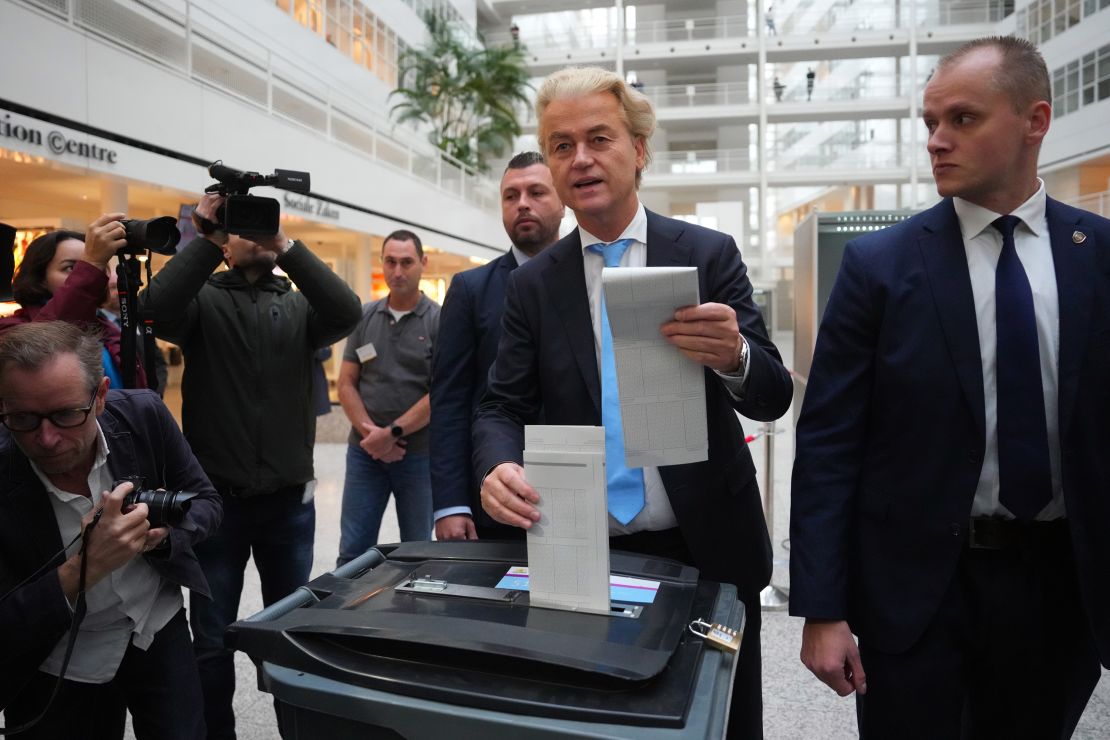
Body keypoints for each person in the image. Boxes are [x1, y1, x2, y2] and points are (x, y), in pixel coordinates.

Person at [790, 36, 1110, 739]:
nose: (937, 140)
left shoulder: (1100, 256)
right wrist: (823, 607)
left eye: (962, 119)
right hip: (915, 596)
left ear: (1035, 120)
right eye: (929, 122)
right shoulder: (881, 266)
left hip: (1059, 590)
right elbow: (828, 444)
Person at [473, 66, 793, 738]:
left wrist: (734, 356)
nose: (581, 158)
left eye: (599, 138)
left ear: (640, 149)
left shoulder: (707, 254)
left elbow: (770, 394)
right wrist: (495, 464)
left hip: (707, 544)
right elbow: (500, 404)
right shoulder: (534, 285)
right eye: (562, 146)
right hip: (586, 551)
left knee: (722, 722)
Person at [139, 194, 361, 740]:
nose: (254, 234)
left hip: (288, 503)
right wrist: (208, 239)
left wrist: (286, 248)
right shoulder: (202, 303)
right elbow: (154, 308)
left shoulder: (302, 307)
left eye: (264, 225)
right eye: (242, 227)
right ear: (225, 241)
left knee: (290, 634)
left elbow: (348, 310)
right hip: (216, 506)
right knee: (210, 639)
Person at [0, 321, 221, 739]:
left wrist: (163, 538)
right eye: (23, 418)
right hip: (57, 656)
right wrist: (83, 568)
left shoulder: (142, 415)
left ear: (100, 396)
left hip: (154, 627)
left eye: (67, 414)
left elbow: (206, 504)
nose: (46, 438)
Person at [430, 151, 565, 541]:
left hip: (582, 486)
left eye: (537, 192)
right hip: (495, 494)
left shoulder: (593, 279)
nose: (522, 203)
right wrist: (451, 503)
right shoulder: (471, 290)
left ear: (561, 201)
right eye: (511, 196)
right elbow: (450, 399)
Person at [337, 230, 440, 564]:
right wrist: (372, 436)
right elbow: (347, 383)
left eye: (406, 262)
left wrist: (392, 433)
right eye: (391, 262)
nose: (398, 271)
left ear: (422, 263)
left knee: (417, 550)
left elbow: (439, 393)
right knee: (353, 549)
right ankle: (344, 614)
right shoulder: (364, 317)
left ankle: (413, 612)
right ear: (382, 263)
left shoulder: (440, 320)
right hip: (365, 454)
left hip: (418, 457)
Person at [1, 215, 148, 388]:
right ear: (40, 277)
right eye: (71, 267)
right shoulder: (11, 330)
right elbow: (43, 345)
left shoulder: (107, 329)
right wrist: (92, 262)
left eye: (98, 267)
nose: (89, 274)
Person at [100, 256, 169, 396]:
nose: (119, 291)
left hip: (146, 397)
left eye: (121, 286)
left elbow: (158, 362)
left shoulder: (138, 323)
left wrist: (156, 392)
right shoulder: (95, 325)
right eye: (114, 287)